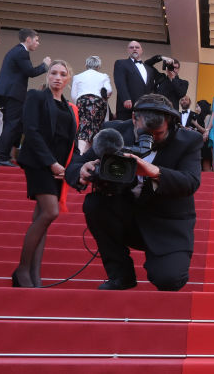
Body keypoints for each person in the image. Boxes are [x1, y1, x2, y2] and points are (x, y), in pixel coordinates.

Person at [65, 94, 202, 291]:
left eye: (159, 133)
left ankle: (160, 261)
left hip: (167, 222)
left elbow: (190, 182)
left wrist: (154, 172)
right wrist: (82, 170)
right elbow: (74, 165)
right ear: (134, 119)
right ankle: (121, 275)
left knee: (169, 280)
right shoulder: (114, 132)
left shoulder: (189, 140)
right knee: (94, 204)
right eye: (146, 132)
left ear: (170, 123)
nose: (152, 138)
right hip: (124, 214)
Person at [13, 60, 78, 288]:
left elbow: (70, 142)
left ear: (68, 79)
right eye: (53, 73)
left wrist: (69, 168)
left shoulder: (69, 107)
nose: (57, 77)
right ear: (47, 76)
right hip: (39, 163)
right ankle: (22, 270)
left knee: (42, 217)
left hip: (59, 168)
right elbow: (30, 130)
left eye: (62, 74)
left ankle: (34, 275)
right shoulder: (36, 97)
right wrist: (51, 163)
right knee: (51, 212)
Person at [0, 28, 50, 167]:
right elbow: (31, 72)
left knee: (11, 124)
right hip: (13, 93)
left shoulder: (17, 51)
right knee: (12, 125)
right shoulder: (21, 52)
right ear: (28, 39)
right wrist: (44, 65)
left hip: (10, 92)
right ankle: (2, 157)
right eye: (36, 40)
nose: (38, 43)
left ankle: (3, 155)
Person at [70, 55, 113, 154]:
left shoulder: (78, 76)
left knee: (83, 128)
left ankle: (80, 154)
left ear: (86, 65)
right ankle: (92, 156)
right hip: (98, 103)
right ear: (98, 66)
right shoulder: (104, 76)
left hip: (82, 102)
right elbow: (109, 90)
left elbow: (73, 95)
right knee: (97, 129)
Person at [113, 40, 156, 120]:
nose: (134, 49)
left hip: (144, 109)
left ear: (141, 50)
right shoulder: (121, 63)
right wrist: (125, 98)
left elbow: (150, 88)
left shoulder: (149, 69)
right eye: (131, 47)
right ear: (128, 50)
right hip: (128, 108)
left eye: (137, 47)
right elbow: (120, 82)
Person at [195, 99, 214, 171]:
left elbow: (206, 131)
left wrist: (196, 125)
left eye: (197, 107)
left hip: (207, 142)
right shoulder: (199, 117)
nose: (196, 109)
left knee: (206, 162)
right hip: (201, 142)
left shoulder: (208, 117)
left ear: (202, 107)